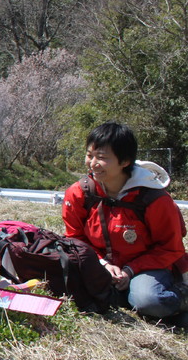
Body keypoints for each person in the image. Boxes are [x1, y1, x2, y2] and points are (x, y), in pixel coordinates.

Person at [62, 122, 188, 324]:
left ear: (125, 161)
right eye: (89, 155)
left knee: (147, 300)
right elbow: (74, 238)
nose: (92, 163)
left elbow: (170, 249)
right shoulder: (79, 193)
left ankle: (178, 295)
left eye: (101, 158)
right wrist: (103, 263)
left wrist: (130, 270)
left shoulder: (154, 199)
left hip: (147, 267)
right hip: (100, 263)